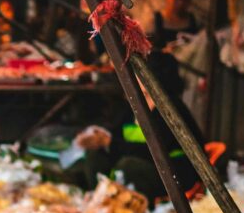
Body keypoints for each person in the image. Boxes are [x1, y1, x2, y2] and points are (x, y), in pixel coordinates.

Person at [64, 52, 203, 201]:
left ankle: (131, 207)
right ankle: (98, 202)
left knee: (129, 166)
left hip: (173, 172)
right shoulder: (135, 104)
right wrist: (99, 138)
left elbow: (155, 151)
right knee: (95, 156)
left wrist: (110, 143)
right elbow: (117, 133)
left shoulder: (171, 108)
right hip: (140, 165)